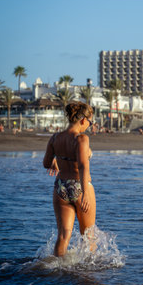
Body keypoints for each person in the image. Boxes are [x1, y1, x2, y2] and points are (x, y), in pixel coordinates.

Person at [43, 102, 96, 257]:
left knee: (63, 235)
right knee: (88, 236)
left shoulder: (55, 138)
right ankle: (88, 273)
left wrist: (55, 162)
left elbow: (46, 163)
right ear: (83, 120)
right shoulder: (81, 139)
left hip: (60, 188)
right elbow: (82, 166)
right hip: (80, 187)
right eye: (90, 122)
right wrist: (85, 192)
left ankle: (57, 269)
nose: (89, 125)